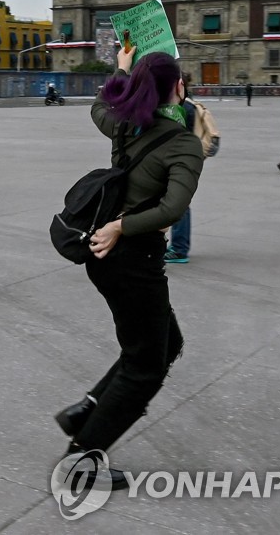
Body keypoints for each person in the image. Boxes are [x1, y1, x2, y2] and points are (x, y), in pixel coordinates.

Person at [52, 47, 203, 488]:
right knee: (146, 367)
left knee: (165, 341)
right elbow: (174, 207)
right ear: (178, 87)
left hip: (104, 257)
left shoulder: (124, 125)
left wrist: (120, 70)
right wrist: (122, 225)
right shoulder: (182, 144)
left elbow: (100, 105)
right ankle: (80, 460)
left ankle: (90, 405)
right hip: (132, 260)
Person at [164, 73, 198, 264]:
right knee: (179, 203)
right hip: (185, 160)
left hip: (179, 161)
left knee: (180, 204)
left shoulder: (183, 108)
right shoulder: (187, 104)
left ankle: (179, 248)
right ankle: (178, 245)